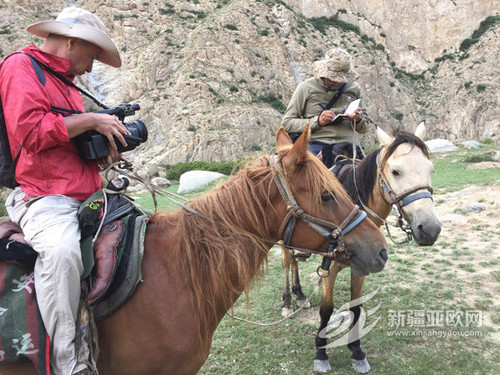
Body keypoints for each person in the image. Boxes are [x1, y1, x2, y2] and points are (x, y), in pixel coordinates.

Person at [0, 7, 130, 375]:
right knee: (62, 253)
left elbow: (66, 143)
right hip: (44, 196)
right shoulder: (20, 67)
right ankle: (68, 364)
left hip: (87, 193)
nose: (90, 68)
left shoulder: (69, 85)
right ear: (73, 42)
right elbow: (28, 132)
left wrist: (99, 153)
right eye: (91, 57)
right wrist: (91, 119)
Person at [281, 48, 367, 167]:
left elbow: (364, 128)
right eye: (333, 79)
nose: (337, 83)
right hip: (318, 144)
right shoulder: (306, 88)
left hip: (350, 146)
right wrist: (318, 122)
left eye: (342, 80)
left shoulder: (354, 88)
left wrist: (357, 120)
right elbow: (287, 123)